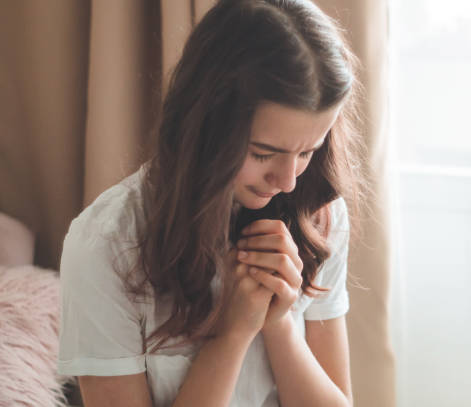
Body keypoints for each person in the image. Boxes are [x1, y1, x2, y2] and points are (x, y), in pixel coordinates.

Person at [57, 0, 366, 406]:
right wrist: (233, 334)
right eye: (262, 154)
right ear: (205, 125)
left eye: (308, 151)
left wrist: (280, 328)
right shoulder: (107, 245)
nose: (288, 181)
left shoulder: (316, 212)